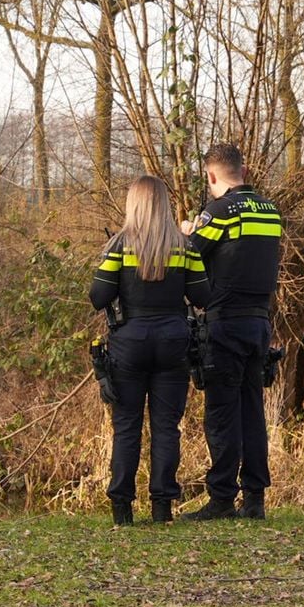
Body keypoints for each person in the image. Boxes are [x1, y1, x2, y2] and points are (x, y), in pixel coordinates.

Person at [91, 175, 211, 525]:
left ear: (134, 205)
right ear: (165, 205)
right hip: (173, 341)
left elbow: (98, 297)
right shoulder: (184, 247)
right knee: (166, 427)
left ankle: (122, 511)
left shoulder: (119, 246)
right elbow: (203, 297)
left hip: (129, 343)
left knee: (126, 426)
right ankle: (162, 508)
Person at [180, 143, 282, 520]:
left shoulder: (219, 211)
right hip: (260, 323)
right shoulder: (271, 211)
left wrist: (189, 230)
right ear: (245, 170)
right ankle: (255, 499)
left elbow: (190, 255)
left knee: (222, 413)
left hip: (225, 322)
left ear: (211, 176)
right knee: (252, 410)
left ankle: (222, 497)